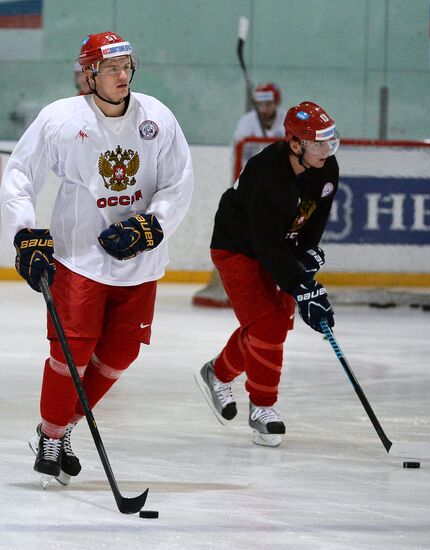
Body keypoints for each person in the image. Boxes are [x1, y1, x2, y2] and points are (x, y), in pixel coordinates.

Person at [0, 31, 193, 484]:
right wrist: (26, 232)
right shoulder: (61, 119)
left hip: (140, 263)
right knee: (72, 352)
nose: (123, 75)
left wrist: (154, 224)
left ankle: (64, 425)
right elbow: (19, 175)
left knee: (122, 354)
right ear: (89, 75)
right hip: (79, 256)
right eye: (111, 68)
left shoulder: (157, 118)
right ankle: (51, 435)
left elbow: (180, 180)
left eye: (127, 66)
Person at [194, 101, 339, 447]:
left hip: (279, 246)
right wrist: (300, 285)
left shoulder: (326, 168)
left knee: (272, 325)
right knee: (269, 325)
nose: (326, 150)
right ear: (294, 144)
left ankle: (218, 372)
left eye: (329, 141)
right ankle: (262, 407)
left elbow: (313, 221)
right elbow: (265, 242)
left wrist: (305, 261)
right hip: (238, 248)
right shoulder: (266, 174)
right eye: (318, 143)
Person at [192, 83, 286, 308]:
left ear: (276, 102)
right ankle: (240, 281)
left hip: (279, 189)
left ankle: (274, 280)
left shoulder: (285, 121)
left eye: (269, 103)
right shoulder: (247, 123)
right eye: (261, 103)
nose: (265, 108)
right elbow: (240, 152)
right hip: (250, 188)